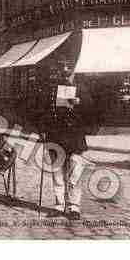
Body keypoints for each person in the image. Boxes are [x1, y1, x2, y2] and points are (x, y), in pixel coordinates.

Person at [41, 64, 96, 220]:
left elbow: (92, 112)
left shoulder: (82, 90)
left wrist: (80, 103)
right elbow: (44, 112)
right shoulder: (51, 90)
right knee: (57, 173)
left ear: (74, 72)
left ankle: (74, 206)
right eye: (63, 72)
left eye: (68, 72)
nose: (65, 75)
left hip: (74, 137)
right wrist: (43, 131)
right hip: (56, 137)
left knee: (75, 173)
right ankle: (59, 205)